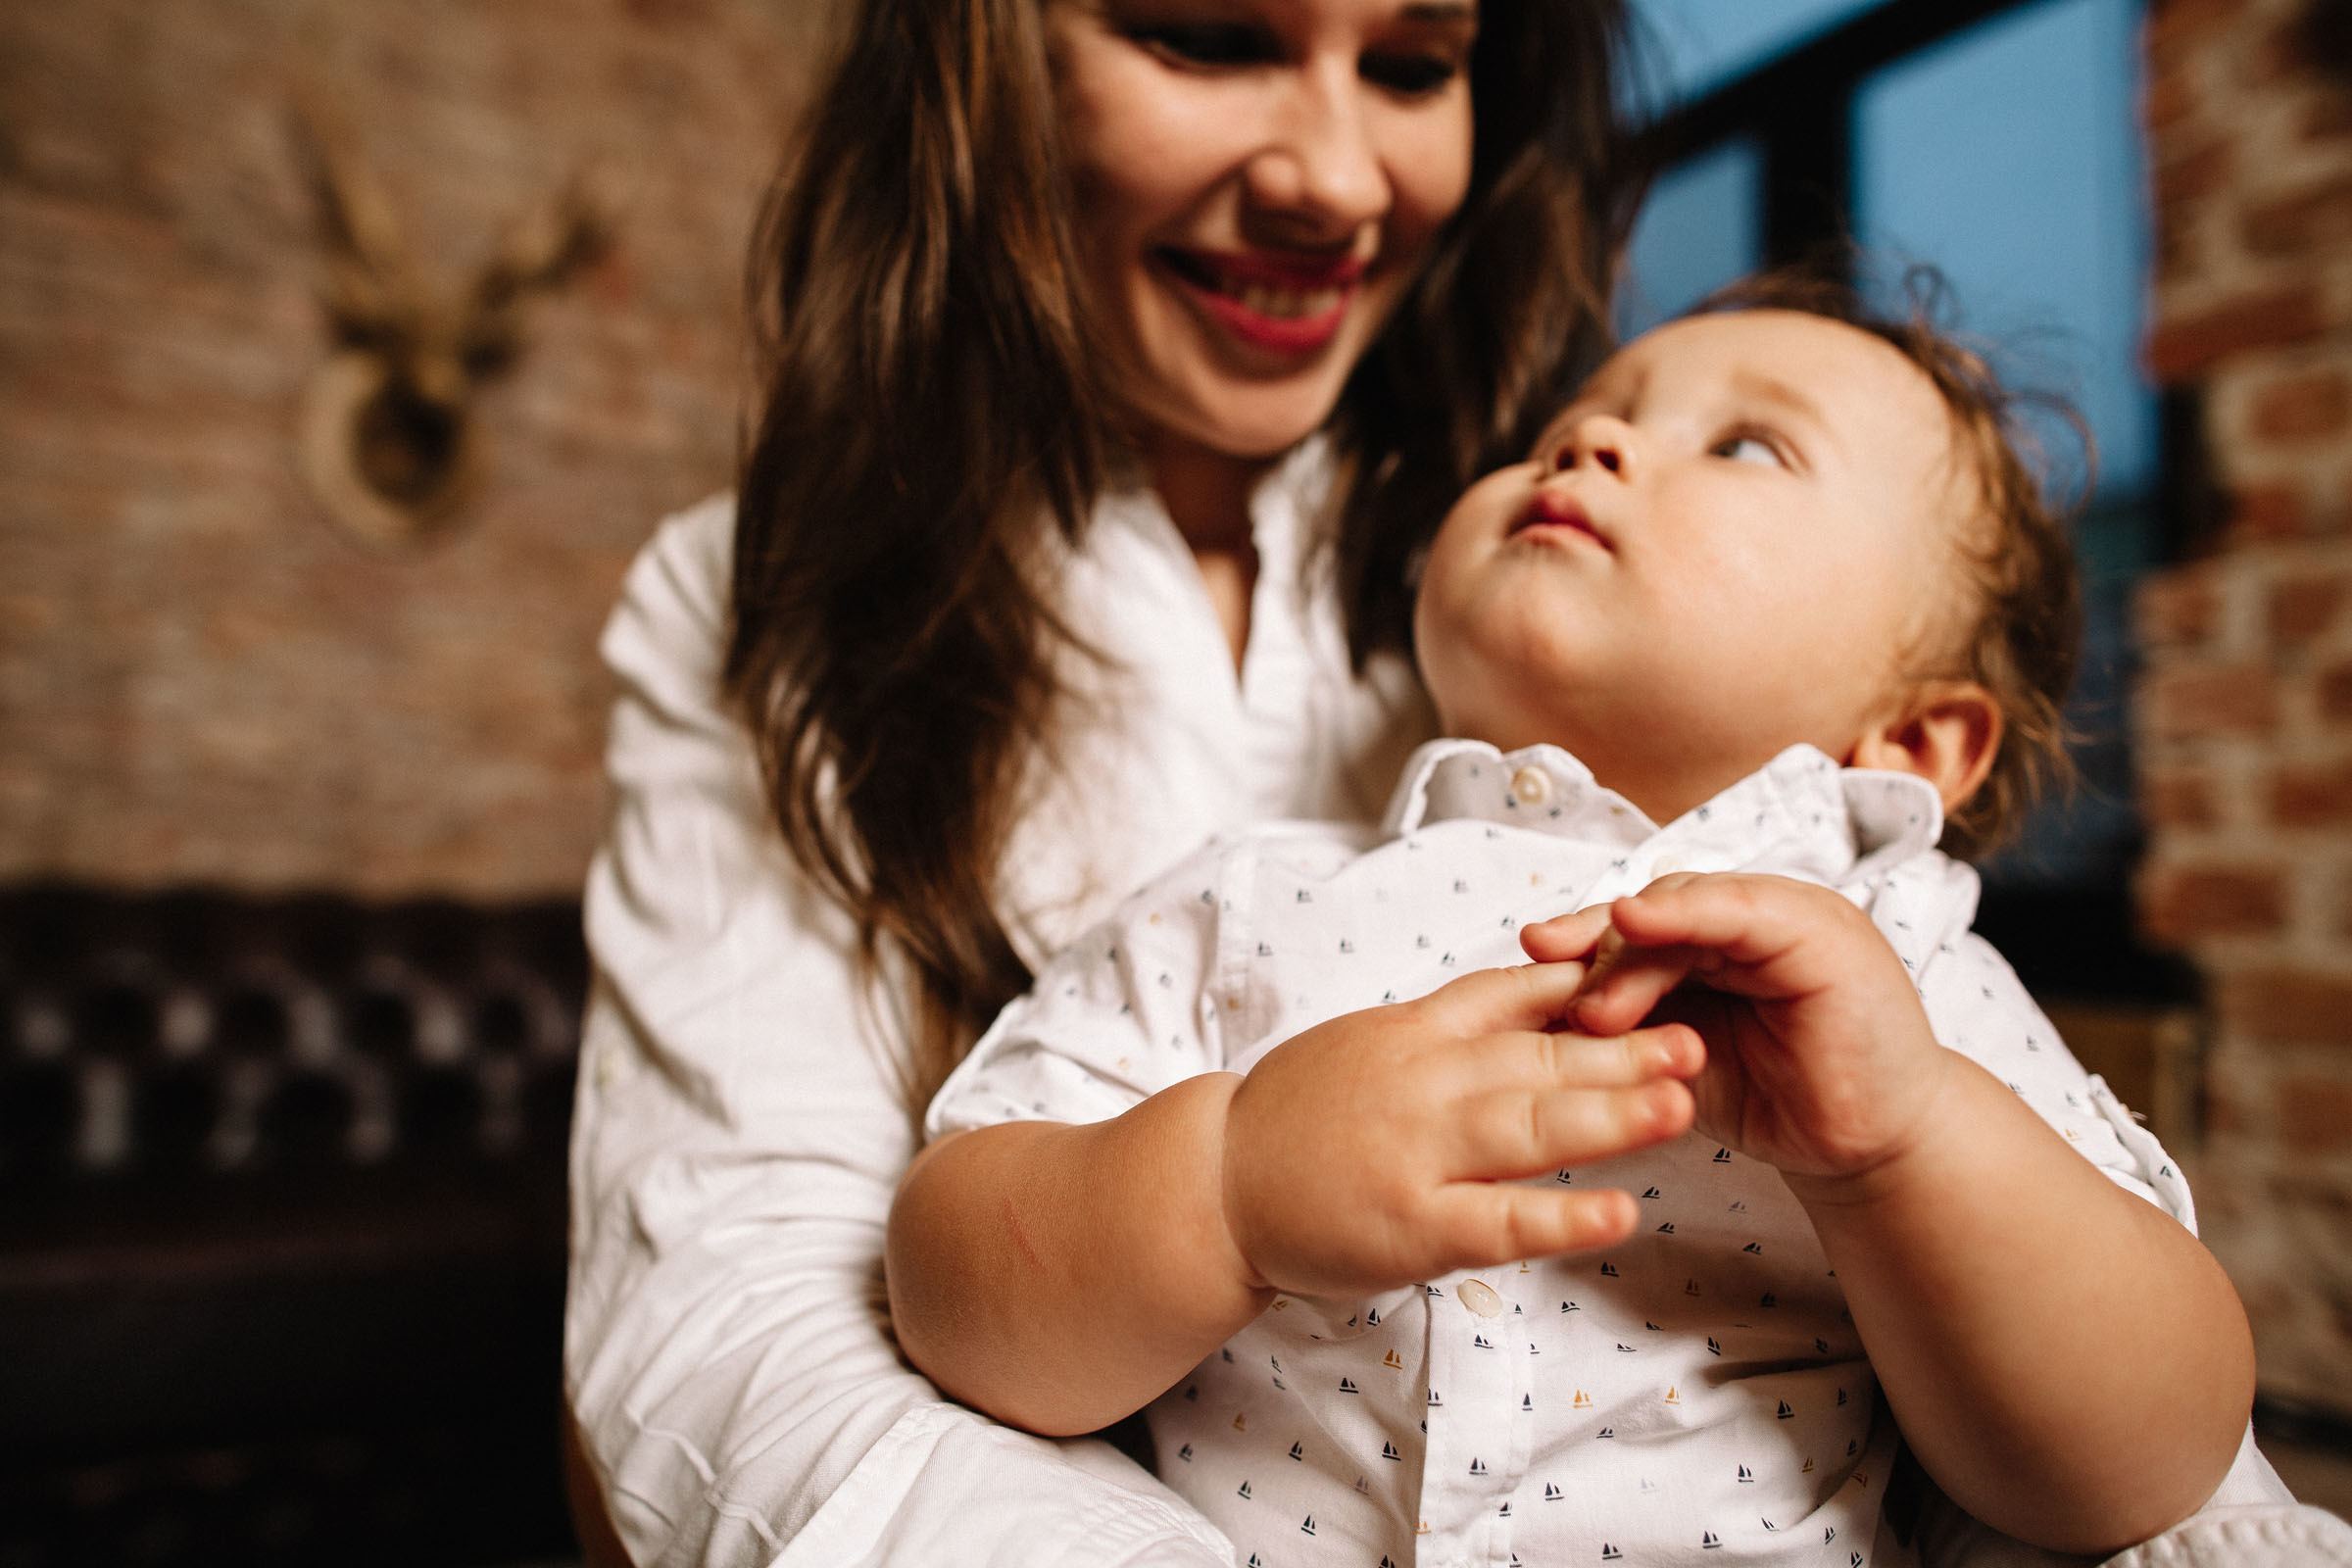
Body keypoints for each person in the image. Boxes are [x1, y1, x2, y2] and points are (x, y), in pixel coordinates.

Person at [888, 284, 2262, 1566]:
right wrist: (1225, 1189)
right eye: (1566, 423)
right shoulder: (1250, 896)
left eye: (1748, 447)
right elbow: (951, 1284)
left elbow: (2153, 1459)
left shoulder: (1906, 974)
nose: (1593, 439)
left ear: (1911, 740)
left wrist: (1903, 1150)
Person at [562, 0, 1632, 1561]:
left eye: (1413, 67)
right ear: (979, 59)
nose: (1336, 183)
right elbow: (740, 1314)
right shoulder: (761, 600)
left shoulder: (1593, 577)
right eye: (1207, 37)